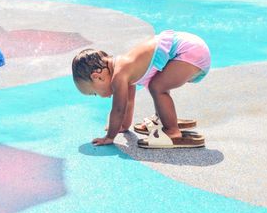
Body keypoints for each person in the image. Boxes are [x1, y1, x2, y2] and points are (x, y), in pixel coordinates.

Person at [71, 30, 210, 148]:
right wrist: (124, 126)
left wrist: (109, 136)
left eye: (94, 93)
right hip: (190, 47)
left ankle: (172, 131)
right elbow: (129, 102)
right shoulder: (124, 68)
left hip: (189, 51)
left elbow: (119, 109)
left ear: (97, 77)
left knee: (157, 87)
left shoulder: (119, 76)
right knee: (159, 83)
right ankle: (164, 118)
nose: (99, 96)